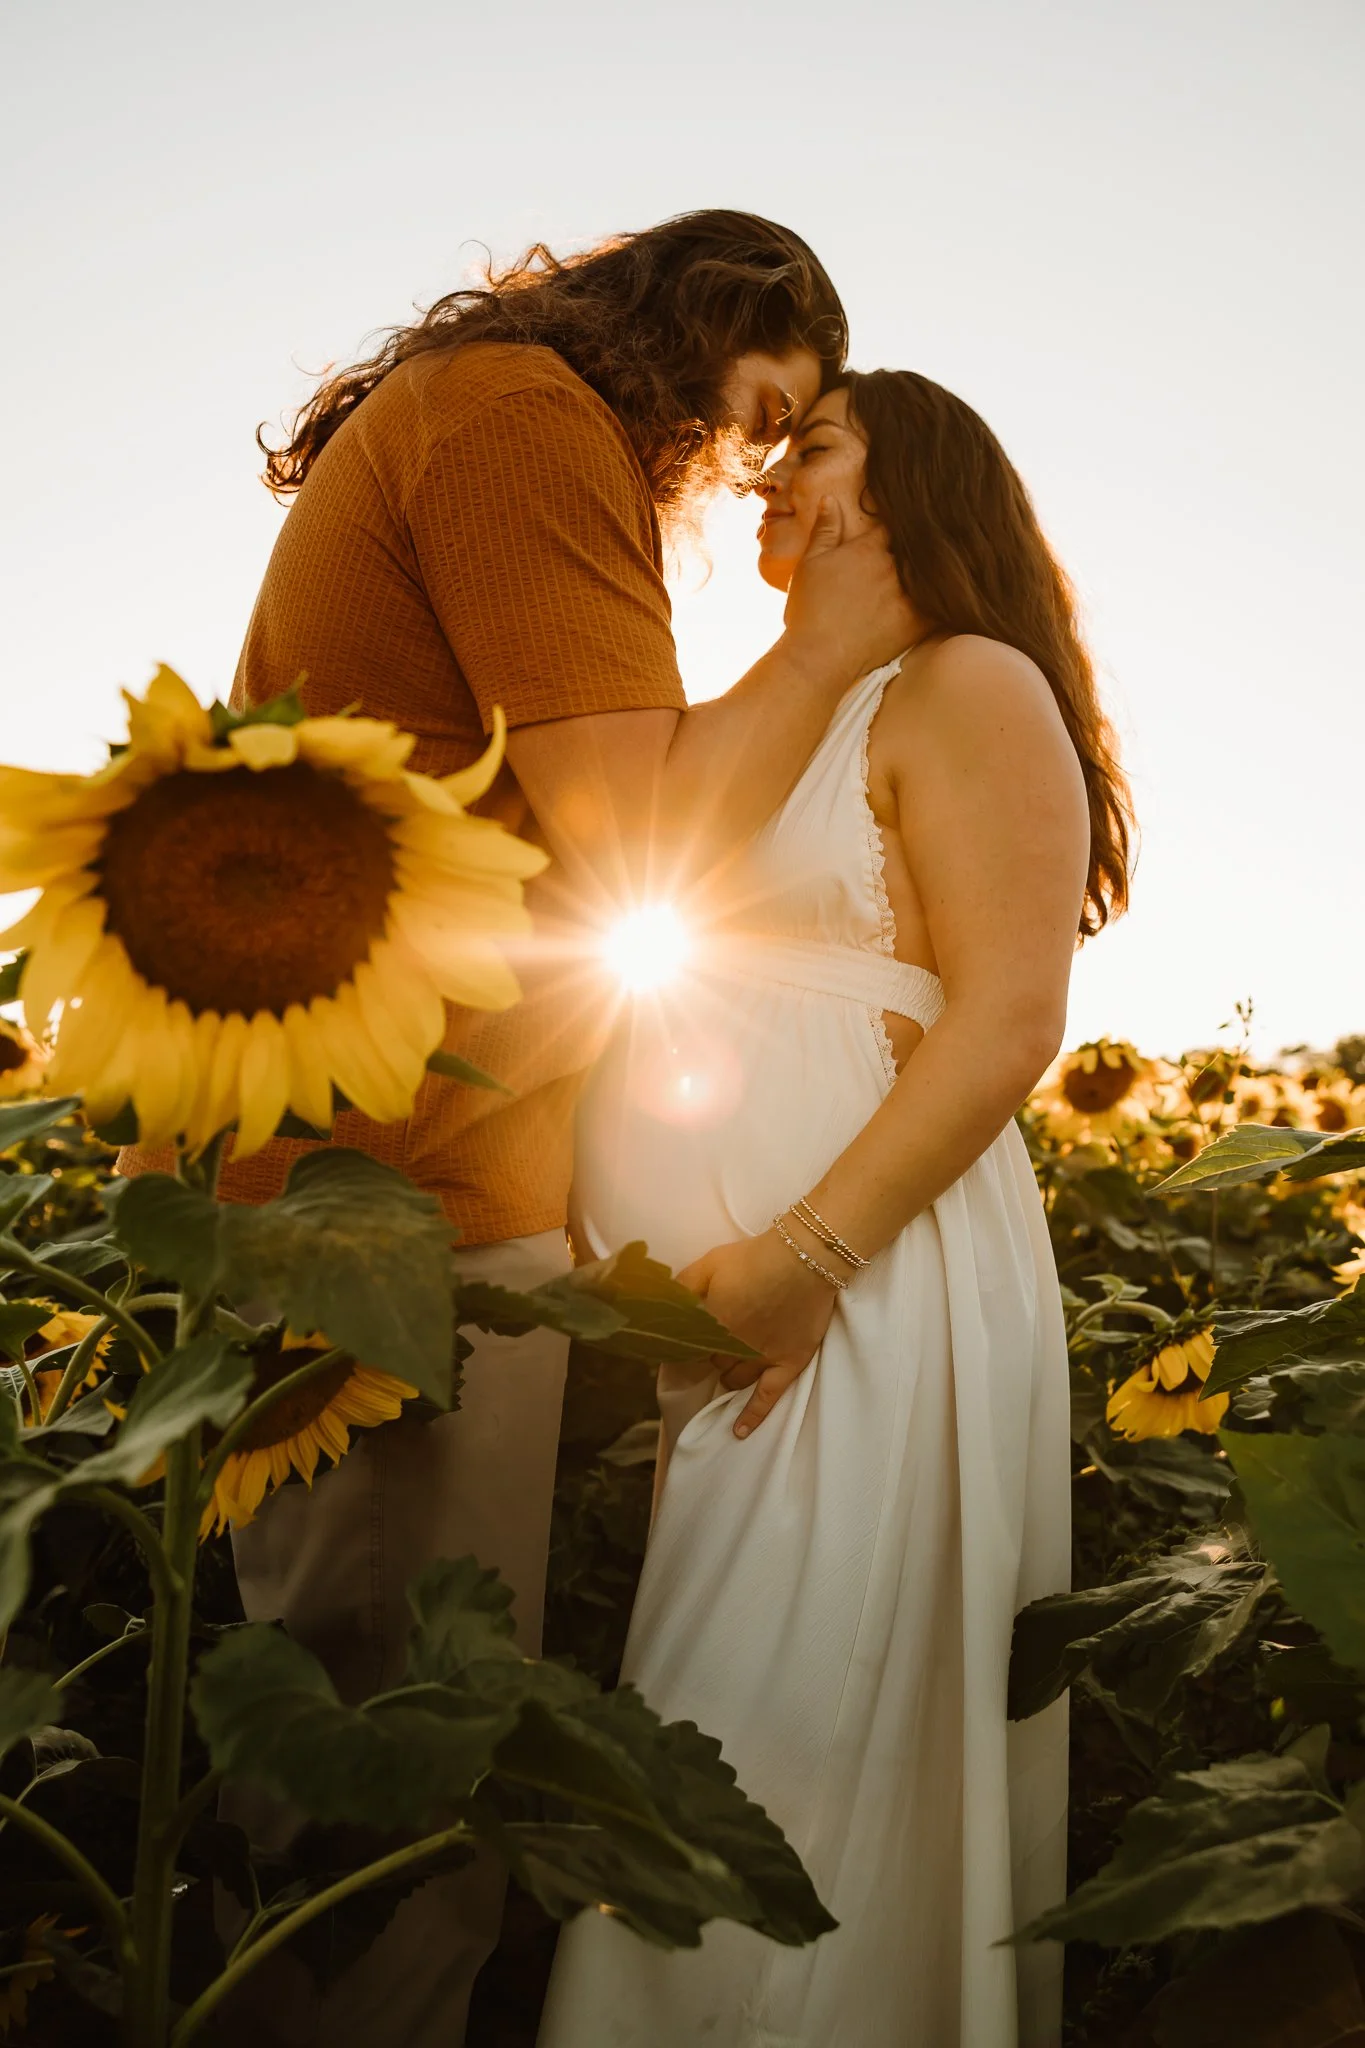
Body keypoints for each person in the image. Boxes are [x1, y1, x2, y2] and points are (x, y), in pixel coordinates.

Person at [117, 211, 918, 2048]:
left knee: (365, 1753)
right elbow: (632, 816)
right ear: (705, 328)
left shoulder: (472, 412)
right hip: (388, 1197)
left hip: (365, 1167)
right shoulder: (524, 422)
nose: (747, 465)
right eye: (761, 410)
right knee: (390, 1820)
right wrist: (821, 662)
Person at [539, 371, 1133, 2048]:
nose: (765, 486)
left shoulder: (968, 684)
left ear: (914, 483)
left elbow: (1013, 1017)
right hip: (743, 1317)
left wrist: (804, 1260)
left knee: (782, 1745)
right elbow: (628, 869)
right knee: (723, 1739)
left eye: (814, 449)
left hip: (862, 1283)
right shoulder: (804, 693)